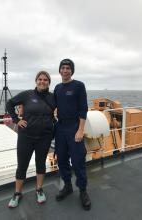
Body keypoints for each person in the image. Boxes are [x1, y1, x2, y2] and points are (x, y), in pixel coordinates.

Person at [6, 71, 55, 208]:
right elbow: (9, 104)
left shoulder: (52, 97)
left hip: (44, 138)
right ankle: (17, 193)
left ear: (48, 82)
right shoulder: (27, 95)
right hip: (26, 137)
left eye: (45, 79)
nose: (42, 81)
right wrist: (16, 120)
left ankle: (39, 189)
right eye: (40, 79)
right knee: (22, 165)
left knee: (40, 164)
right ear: (36, 81)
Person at [54, 59, 91, 210]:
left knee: (77, 161)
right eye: (63, 68)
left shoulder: (79, 86)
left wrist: (80, 129)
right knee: (61, 159)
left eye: (68, 68)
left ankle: (83, 190)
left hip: (74, 126)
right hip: (60, 127)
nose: (65, 70)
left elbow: (83, 109)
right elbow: (53, 105)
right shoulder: (57, 87)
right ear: (60, 71)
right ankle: (68, 186)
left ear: (71, 71)